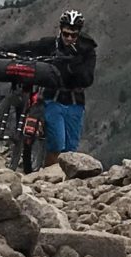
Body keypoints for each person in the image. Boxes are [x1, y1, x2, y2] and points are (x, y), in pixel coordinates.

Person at [9, 9, 96, 163]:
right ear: (60, 31)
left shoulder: (87, 51)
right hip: (53, 100)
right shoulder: (52, 44)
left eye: (73, 35)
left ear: (79, 33)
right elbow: (28, 47)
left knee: (70, 149)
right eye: (66, 34)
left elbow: (88, 79)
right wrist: (2, 48)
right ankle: (50, 178)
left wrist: (72, 67)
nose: (69, 38)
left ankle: (64, 183)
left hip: (75, 103)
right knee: (56, 143)